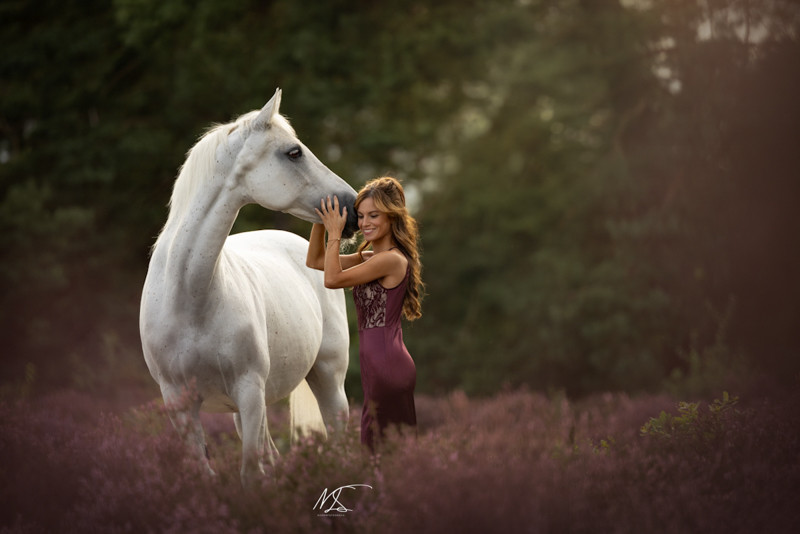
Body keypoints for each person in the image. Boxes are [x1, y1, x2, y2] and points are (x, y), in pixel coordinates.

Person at [306, 176, 423, 450]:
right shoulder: (372, 258)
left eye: (374, 215)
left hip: (388, 368)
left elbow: (332, 279)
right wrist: (319, 220)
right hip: (379, 367)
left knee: (382, 452)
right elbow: (316, 261)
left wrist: (334, 233)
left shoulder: (391, 260)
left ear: (392, 217)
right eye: (360, 216)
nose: (364, 223)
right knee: (384, 451)